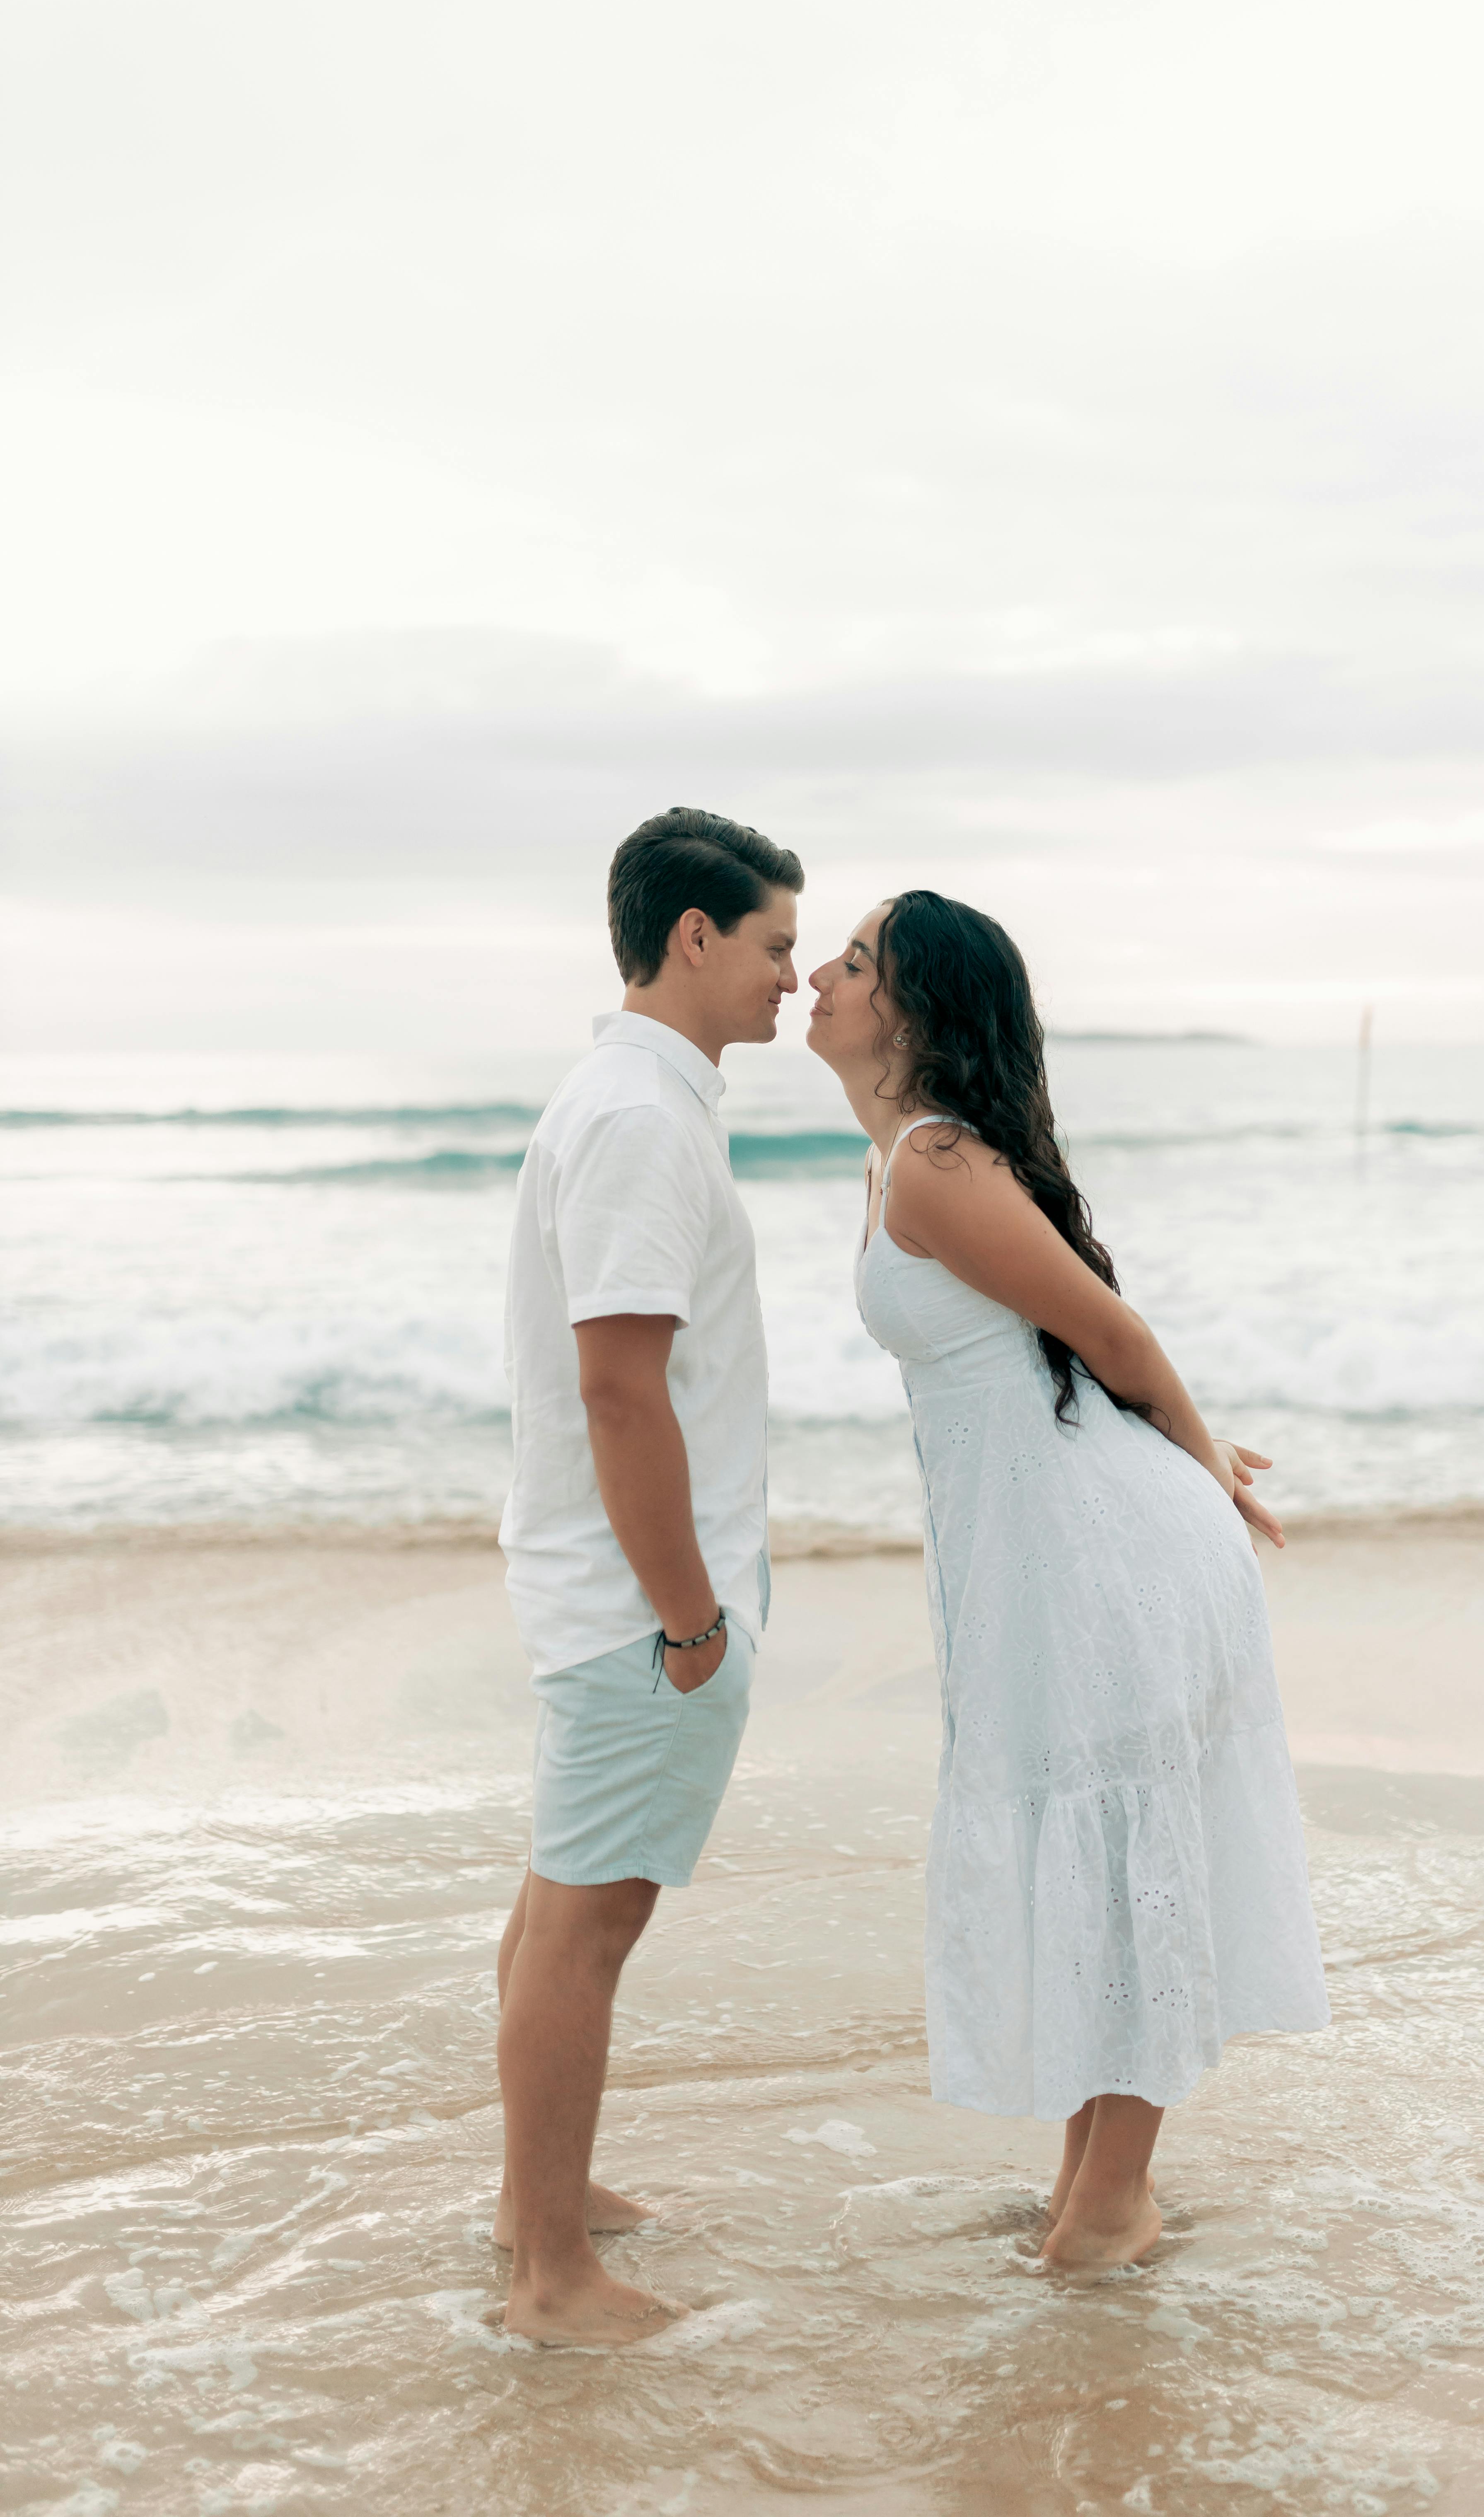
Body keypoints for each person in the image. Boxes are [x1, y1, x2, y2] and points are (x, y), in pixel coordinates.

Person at [806, 890, 1330, 2268]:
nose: (817, 975)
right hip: (1046, 1555)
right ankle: (1086, 2182)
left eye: (853, 963)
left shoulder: (931, 1163)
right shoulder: (896, 1163)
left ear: (913, 1007)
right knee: (1094, 1846)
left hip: (1108, 1558)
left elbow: (1112, 1334)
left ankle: (1116, 2202)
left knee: (1121, 1847)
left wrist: (1204, 1469)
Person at [491, 805, 802, 2344]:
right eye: (774, 946)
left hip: (612, 1595)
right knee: (587, 1926)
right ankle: (552, 2275)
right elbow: (622, 1387)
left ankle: (536, 2206)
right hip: (638, 1607)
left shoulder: (641, 1102)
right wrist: (689, 1618)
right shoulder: (636, 1120)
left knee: (563, 1899)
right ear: (695, 937)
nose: (794, 982)